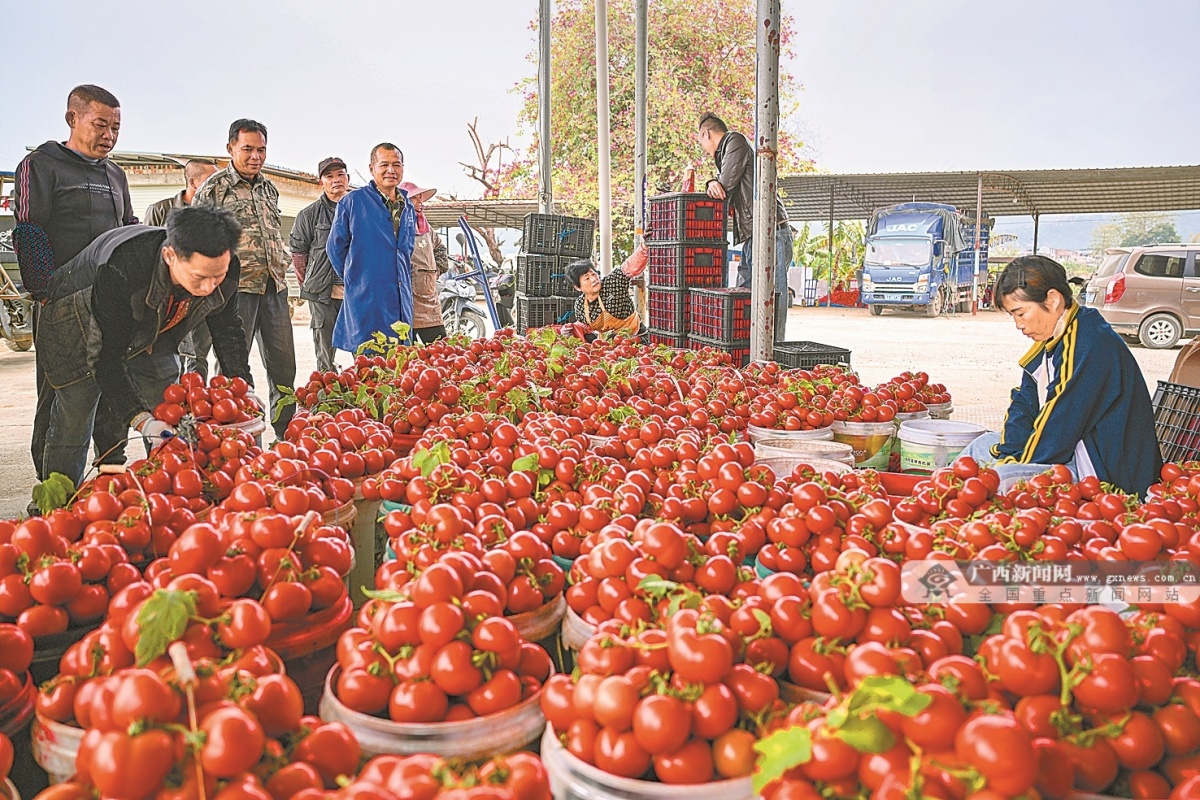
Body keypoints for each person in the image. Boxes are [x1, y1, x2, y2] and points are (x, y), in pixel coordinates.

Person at [34, 206, 256, 488]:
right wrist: (141, 421)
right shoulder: (124, 267)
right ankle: (59, 501)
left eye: (218, 276)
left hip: (153, 327)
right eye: (200, 277)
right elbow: (107, 358)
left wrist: (242, 384)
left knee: (167, 403)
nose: (210, 287)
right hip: (78, 319)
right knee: (76, 417)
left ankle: (171, 488)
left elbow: (227, 329)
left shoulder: (224, 265)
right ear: (170, 256)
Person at [12, 84, 139, 488]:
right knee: (60, 395)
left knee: (113, 385)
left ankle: (109, 472)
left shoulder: (115, 174)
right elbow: (29, 229)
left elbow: (128, 230)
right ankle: (51, 482)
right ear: (72, 118)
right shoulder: (41, 164)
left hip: (110, 300)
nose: (110, 135)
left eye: (116, 127)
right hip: (61, 301)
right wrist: (44, 290)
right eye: (100, 124)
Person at [957, 255, 1162, 496]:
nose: (1018, 325)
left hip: (1105, 472)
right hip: (1069, 450)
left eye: (1021, 313)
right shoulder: (1054, 337)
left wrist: (1012, 465)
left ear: (1053, 300)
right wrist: (1007, 452)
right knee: (980, 446)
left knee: (1001, 479)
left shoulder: (1089, 343)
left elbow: (1057, 429)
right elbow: (1024, 404)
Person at [192, 119, 295, 439]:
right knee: (233, 371)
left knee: (283, 368)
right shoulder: (214, 189)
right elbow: (197, 241)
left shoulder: (269, 188)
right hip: (235, 292)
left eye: (261, 149)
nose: (256, 156)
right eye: (247, 149)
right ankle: (236, 438)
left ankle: (286, 435)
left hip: (273, 288)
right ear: (230, 149)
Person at [697, 112, 793, 341]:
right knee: (744, 294)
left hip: (772, 233)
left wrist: (713, 182)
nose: (702, 147)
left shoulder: (734, 141)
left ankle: (774, 352)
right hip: (752, 236)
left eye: (700, 140)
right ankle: (746, 348)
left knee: (773, 296)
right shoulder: (727, 152)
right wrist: (711, 181)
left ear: (706, 133)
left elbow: (725, 184)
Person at [325, 143, 416, 354]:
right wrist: (357, 277)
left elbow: (407, 248)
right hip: (367, 299)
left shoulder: (407, 205)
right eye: (384, 164)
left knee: (400, 367)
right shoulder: (353, 202)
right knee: (370, 369)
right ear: (371, 168)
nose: (391, 170)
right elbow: (334, 248)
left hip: (401, 298)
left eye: (397, 165)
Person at [290, 157, 350, 372]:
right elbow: (298, 254)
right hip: (323, 294)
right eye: (329, 176)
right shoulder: (308, 215)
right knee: (324, 352)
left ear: (348, 178)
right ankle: (326, 394)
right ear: (321, 182)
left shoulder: (361, 211)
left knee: (364, 350)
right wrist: (310, 283)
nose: (336, 180)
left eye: (340, 174)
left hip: (356, 293)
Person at [399, 181, 448, 343]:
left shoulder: (427, 228)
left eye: (421, 198)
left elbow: (441, 250)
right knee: (406, 354)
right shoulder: (395, 225)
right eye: (415, 198)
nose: (420, 202)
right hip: (404, 299)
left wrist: (434, 272)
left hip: (428, 298)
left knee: (439, 350)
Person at [565, 245, 649, 338]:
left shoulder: (612, 283)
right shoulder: (580, 304)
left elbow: (629, 267)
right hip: (607, 344)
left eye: (593, 274)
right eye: (587, 278)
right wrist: (571, 329)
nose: (594, 279)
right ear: (577, 287)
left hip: (635, 336)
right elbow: (585, 327)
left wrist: (644, 247)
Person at [143, 159, 218, 226]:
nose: (218, 184)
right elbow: (144, 240)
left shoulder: (218, 210)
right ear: (192, 182)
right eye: (211, 180)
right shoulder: (159, 210)